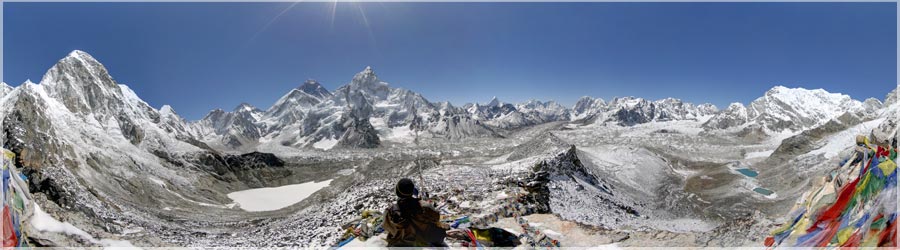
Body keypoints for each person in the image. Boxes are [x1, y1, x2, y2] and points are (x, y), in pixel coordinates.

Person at [382, 178, 448, 247]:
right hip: (424, 239)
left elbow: (386, 226)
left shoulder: (390, 211)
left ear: (397, 192)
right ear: (412, 191)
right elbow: (436, 218)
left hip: (403, 244)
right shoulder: (425, 206)